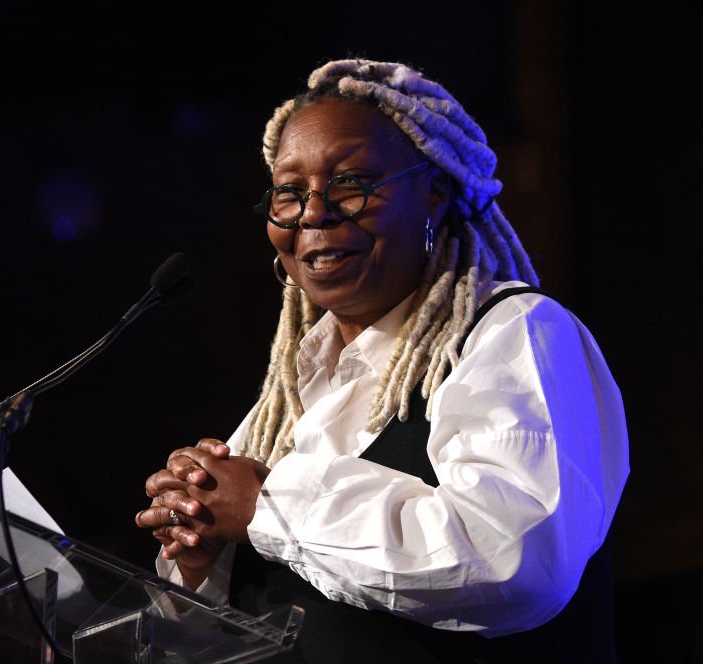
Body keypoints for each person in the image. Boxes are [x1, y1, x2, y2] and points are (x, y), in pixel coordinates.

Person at [134, 58, 629, 663]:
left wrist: (267, 504)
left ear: (434, 194)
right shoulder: (296, 389)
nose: (314, 212)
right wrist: (204, 548)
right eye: (289, 193)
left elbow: (512, 558)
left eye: (351, 183)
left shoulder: (515, 334)